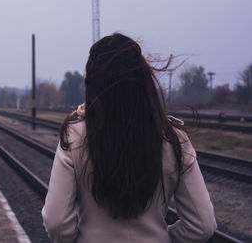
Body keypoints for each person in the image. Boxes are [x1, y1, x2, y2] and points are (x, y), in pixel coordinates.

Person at [42, 33, 216, 242]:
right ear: (144, 81)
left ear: (92, 83)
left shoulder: (74, 136)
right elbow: (203, 224)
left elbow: (57, 223)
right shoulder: (173, 138)